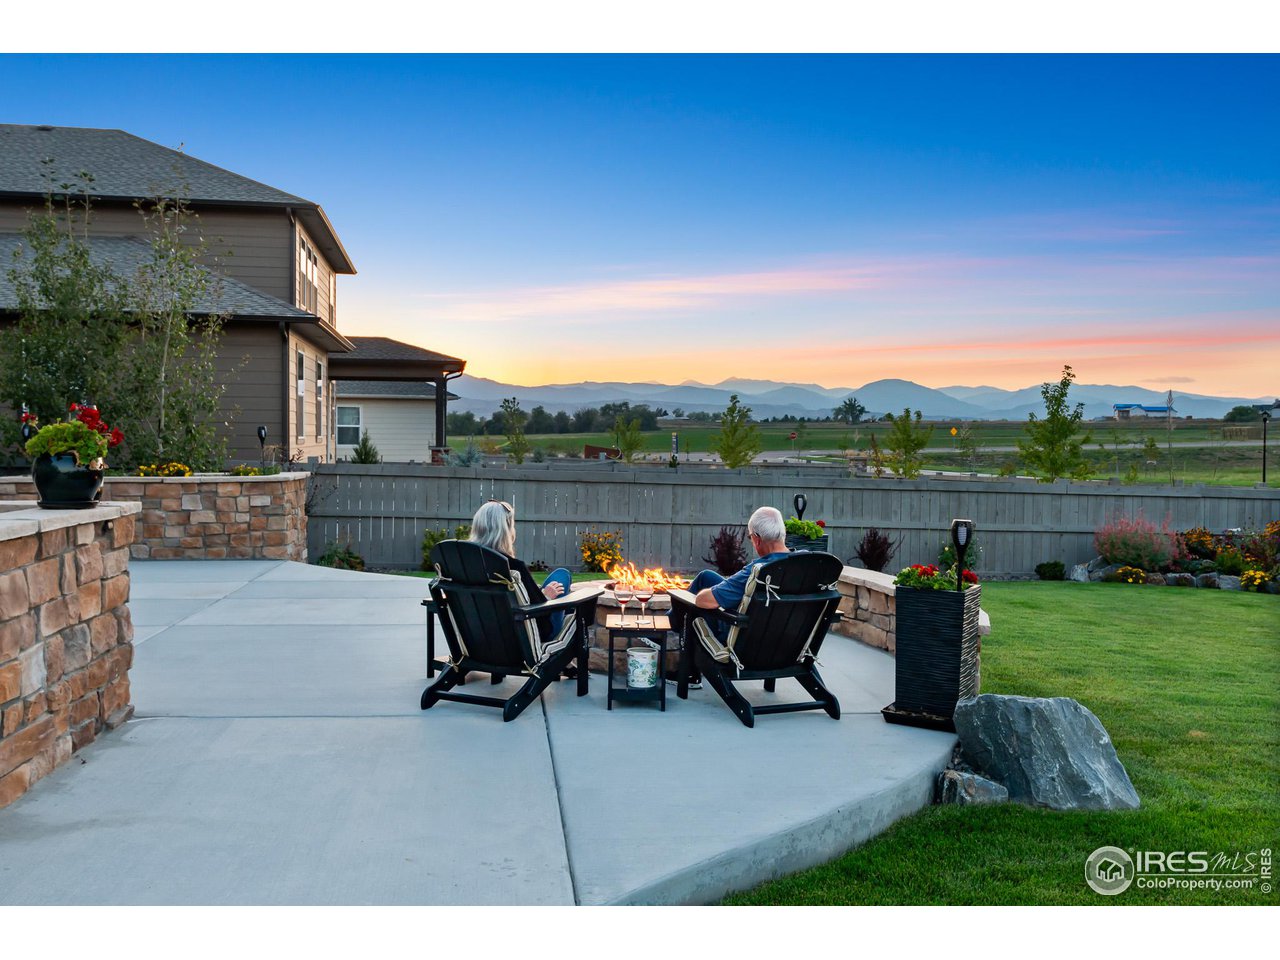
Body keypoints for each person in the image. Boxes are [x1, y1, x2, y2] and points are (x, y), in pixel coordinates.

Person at [670, 506, 794, 670]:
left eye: (750, 537)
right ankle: (670, 621)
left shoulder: (758, 571)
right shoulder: (804, 565)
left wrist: (724, 590)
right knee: (706, 577)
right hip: (787, 644)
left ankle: (671, 633)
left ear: (757, 539)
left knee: (692, 603)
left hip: (747, 644)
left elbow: (703, 601)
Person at [468, 498, 572, 639]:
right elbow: (537, 611)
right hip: (526, 637)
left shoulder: (466, 566)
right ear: (506, 530)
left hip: (480, 637)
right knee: (562, 576)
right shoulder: (513, 567)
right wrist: (547, 596)